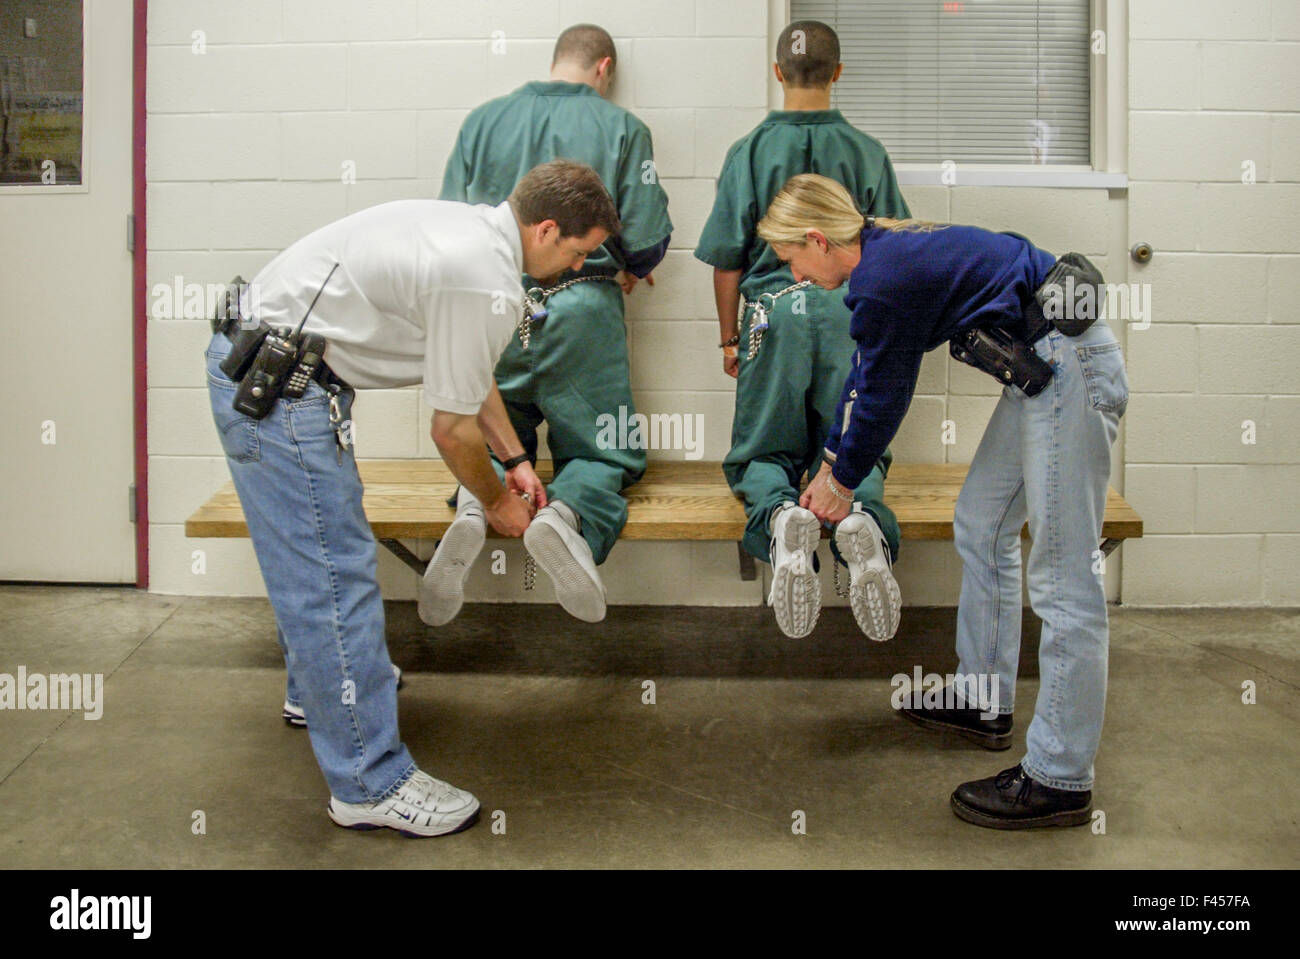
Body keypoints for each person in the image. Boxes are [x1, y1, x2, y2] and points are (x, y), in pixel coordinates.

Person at [205, 161, 620, 837]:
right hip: (278, 387)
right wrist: (497, 503)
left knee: (313, 555)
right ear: (546, 229)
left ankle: (322, 695)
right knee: (333, 576)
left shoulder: (475, 237)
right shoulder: (483, 276)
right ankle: (369, 782)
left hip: (276, 367)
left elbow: (468, 371)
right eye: (576, 251)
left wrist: (514, 458)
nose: (576, 266)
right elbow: (449, 430)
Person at [757, 173, 1129, 829]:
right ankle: (984, 697)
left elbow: (883, 396)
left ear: (817, 239)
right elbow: (866, 374)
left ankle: (1060, 775)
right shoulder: (887, 250)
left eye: (791, 256)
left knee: (1065, 578)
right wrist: (832, 459)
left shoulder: (882, 277)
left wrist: (841, 480)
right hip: (1041, 370)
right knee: (982, 521)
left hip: (1067, 367)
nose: (795, 271)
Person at [430, 23, 672, 625]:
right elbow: (643, 235)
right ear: (604, 68)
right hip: (585, 303)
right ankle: (567, 520)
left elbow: (451, 226)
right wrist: (634, 265)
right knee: (601, 448)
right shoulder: (623, 127)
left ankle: (470, 504)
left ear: (556, 59)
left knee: (491, 427)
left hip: (496, 299)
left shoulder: (481, 120)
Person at [694, 20, 909, 641]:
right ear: (838, 74)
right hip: (851, 314)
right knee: (849, 448)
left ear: (777, 73)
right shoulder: (869, 152)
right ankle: (860, 519)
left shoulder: (749, 151)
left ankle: (781, 517)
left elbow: (727, 257)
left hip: (772, 313)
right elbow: (890, 251)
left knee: (764, 450)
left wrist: (730, 338)